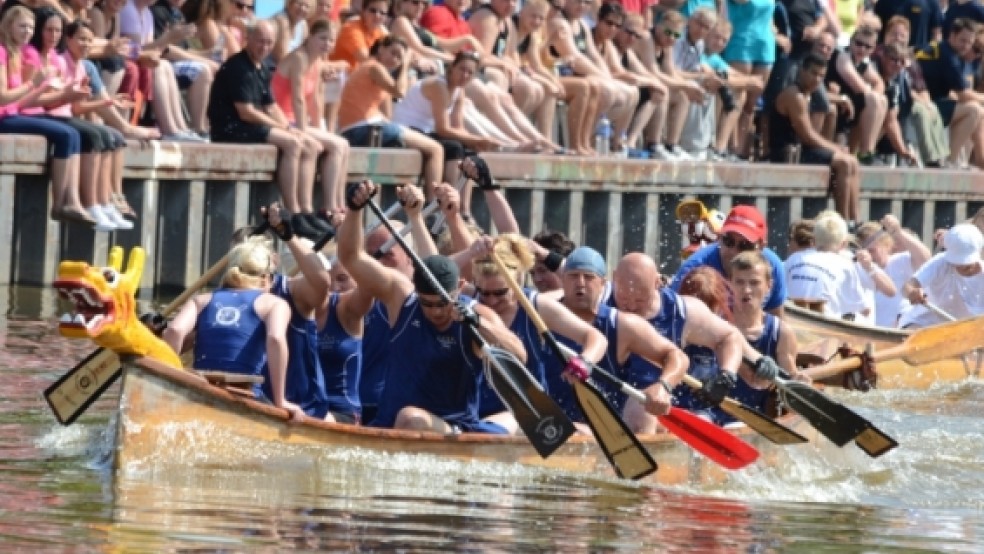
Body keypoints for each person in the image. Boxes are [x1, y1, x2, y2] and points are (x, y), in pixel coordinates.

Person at [338, 180, 527, 434]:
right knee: (408, 417)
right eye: (427, 304)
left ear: (460, 287)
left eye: (441, 303)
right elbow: (350, 258)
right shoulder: (401, 297)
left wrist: (476, 324)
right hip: (395, 424)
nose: (435, 311)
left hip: (450, 427)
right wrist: (354, 210)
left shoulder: (476, 312)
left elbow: (520, 356)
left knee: (411, 418)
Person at [607, 251, 778, 427]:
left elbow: (754, 373)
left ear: (657, 283)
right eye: (624, 298)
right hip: (612, 412)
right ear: (613, 279)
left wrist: (727, 376)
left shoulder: (684, 313)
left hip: (671, 412)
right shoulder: (600, 304)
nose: (631, 306)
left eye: (640, 300)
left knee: (642, 408)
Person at [465, 234, 608, 434]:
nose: (491, 301)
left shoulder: (536, 306)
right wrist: (468, 254)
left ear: (517, 281)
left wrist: (585, 361)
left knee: (583, 432)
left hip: (528, 410)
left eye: (500, 293)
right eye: (484, 293)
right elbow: (428, 273)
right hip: (474, 409)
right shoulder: (467, 301)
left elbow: (595, 338)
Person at [208, 20, 330, 240]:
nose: (264, 47)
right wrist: (283, 129)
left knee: (310, 145)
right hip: (231, 127)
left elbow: (271, 105)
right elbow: (245, 111)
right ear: (248, 39)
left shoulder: (262, 67)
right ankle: (292, 212)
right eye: (260, 41)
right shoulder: (238, 67)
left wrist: (291, 128)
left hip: (249, 125)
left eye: (269, 42)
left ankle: (305, 211)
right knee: (293, 145)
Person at [550, 246, 689, 434]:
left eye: (589, 277)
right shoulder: (540, 315)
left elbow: (676, 355)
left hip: (607, 431)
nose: (580, 283)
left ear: (603, 284)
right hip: (548, 423)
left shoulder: (622, 325)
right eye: (573, 276)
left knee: (642, 406)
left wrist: (663, 385)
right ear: (562, 280)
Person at [162, 236, 305, 419]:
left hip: (200, 388)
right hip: (244, 394)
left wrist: (168, 378)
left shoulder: (201, 300)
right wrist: (280, 401)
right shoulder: (274, 304)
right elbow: (276, 339)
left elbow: (173, 331)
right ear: (266, 278)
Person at [24, 8, 132, 231]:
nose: (53, 35)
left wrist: (107, 102)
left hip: (58, 112)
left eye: (57, 30)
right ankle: (89, 203)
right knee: (90, 135)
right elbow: (49, 102)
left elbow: (71, 104)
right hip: (45, 114)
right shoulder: (57, 60)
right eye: (49, 30)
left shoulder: (71, 63)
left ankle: (105, 201)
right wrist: (66, 94)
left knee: (112, 136)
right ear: (69, 39)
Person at [0, 6, 96, 226]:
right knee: (64, 134)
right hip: (4, 117)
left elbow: (20, 101)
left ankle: (69, 201)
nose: (27, 31)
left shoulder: (16, 52)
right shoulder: (2, 52)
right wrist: (34, 83)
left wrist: (55, 92)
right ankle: (59, 204)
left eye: (31, 27)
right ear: (8, 26)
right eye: (22, 26)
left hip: (12, 113)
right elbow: (3, 97)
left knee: (72, 134)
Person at [336, 35, 444, 198]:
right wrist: (406, 63)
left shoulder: (377, 73)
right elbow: (399, 91)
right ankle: (434, 207)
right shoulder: (374, 67)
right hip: (363, 128)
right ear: (381, 49)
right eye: (393, 53)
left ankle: (414, 200)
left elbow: (387, 115)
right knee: (436, 149)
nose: (395, 59)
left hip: (367, 126)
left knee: (412, 145)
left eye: (399, 57)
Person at [271, 18, 351, 218]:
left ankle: (339, 205)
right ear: (310, 37)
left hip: (297, 119)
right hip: (284, 119)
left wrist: (320, 129)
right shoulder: (300, 58)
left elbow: (315, 100)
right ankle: (328, 208)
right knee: (333, 146)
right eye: (322, 38)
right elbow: (298, 98)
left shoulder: (317, 61)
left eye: (331, 41)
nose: (327, 44)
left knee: (343, 144)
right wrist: (304, 130)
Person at [770, 53, 862, 223]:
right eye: (813, 73)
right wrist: (835, 147)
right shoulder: (795, 95)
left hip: (802, 151)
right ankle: (843, 221)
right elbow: (807, 136)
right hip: (787, 154)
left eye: (821, 76)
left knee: (853, 162)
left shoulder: (807, 94)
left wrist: (841, 99)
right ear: (802, 71)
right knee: (844, 163)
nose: (817, 79)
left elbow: (828, 99)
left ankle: (855, 221)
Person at [671, 205, 788, 316]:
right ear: (719, 238)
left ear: (761, 247)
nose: (734, 251)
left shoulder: (773, 266)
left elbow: (777, 319)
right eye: (728, 241)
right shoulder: (694, 268)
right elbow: (670, 317)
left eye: (745, 245)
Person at [915, 18, 984, 169]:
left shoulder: (946, 50)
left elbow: (956, 92)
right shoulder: (948, 56)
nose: (966, 46)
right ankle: (951, 160)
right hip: (923, 104)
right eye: (962, 40)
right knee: (974, 110)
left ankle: (977, 161)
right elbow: (964, 94)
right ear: (952, 35)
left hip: (932, 101)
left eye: (970, 43)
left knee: (975, 110)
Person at [783, 210, 869, 320]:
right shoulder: (845, 265)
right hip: (825, 325)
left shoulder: (794, 258)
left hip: (794, 319)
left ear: (813, 241)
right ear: (844, 244)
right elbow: (864, 310)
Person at [900, 223, 984, 328]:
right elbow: (909, 285)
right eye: (959, 262)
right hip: (925, 323)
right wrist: (913, 292)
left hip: (967, 332)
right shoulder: (940, 262)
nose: (963, 266)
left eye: (967, 264)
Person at [855, 214, 931, 327]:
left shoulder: (901, 261)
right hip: (869, 331)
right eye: (863, 252)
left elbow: (926, 258)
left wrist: (898, 231)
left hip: (901, 329)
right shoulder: (858, 268)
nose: (867, 256)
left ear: (887, 245)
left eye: (872, 251)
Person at [826, 26, 889, 163]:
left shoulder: (863, 62)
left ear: (873, 49)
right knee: (874, 99)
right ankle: (865, 152)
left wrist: (876, 98)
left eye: (868, 47)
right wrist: (874, 97)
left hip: (850, 105)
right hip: (836, 103)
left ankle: (867, 150)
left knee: (882, 100)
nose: (862, 49)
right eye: (859, 43)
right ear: (851, 41)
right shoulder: (843, 55)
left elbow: (880, 83)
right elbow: (859, 86)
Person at [328, 0, 386, 69]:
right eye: (373, 11)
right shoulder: (351, 28)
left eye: (382, 13)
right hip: (338, 75)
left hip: (357, 76)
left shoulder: (380, 33)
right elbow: (366, 60)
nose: (377, 15)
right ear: (363, 11)